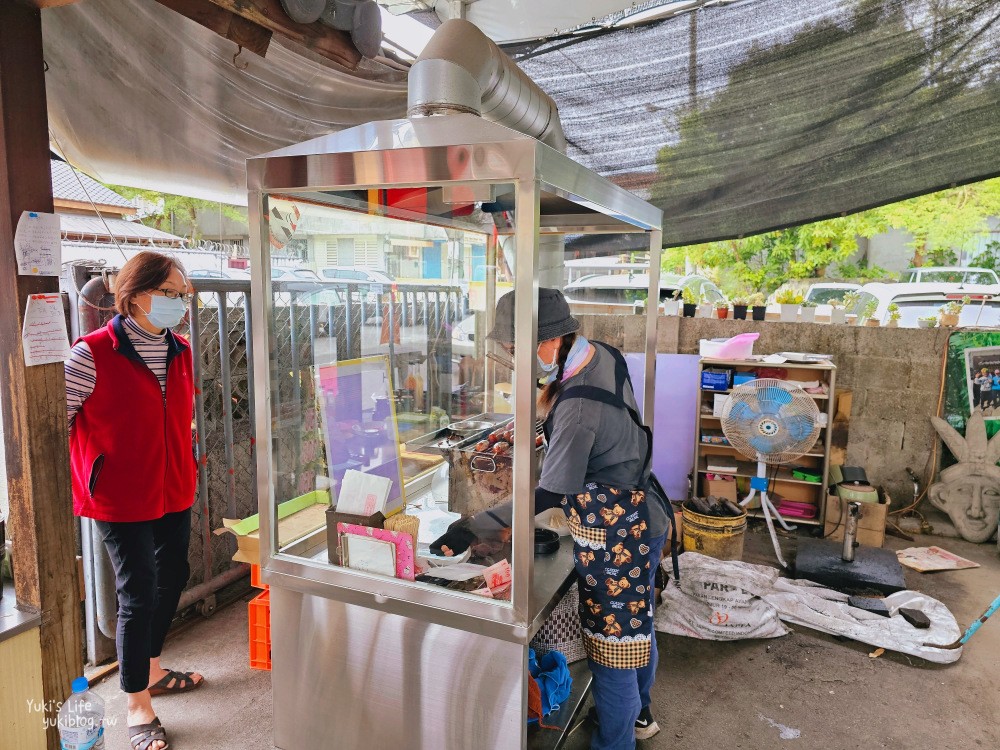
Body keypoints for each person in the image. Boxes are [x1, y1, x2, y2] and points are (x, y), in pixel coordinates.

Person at [433, 288, 670, 749]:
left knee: (612, 644)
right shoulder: (602, 355)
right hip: (648, 512)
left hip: (619, 531)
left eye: (514, 348)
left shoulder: (579, 407)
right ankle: (641, 716)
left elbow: (549, 491)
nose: (512, 357)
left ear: (547, 342)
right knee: (637, 623)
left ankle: (615, 742)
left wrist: (474, 524)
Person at [66, 251, 203, 750]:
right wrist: (92, 469)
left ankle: (152, 667)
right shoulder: (91, 353)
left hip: (172, 485)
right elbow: (53, 423)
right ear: (134, 294)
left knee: (174, 576)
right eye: (168, 293)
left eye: (181, 295)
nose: (177, 304)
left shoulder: (182, 351)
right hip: (119, 495)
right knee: (137, 591)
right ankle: (137, 705)